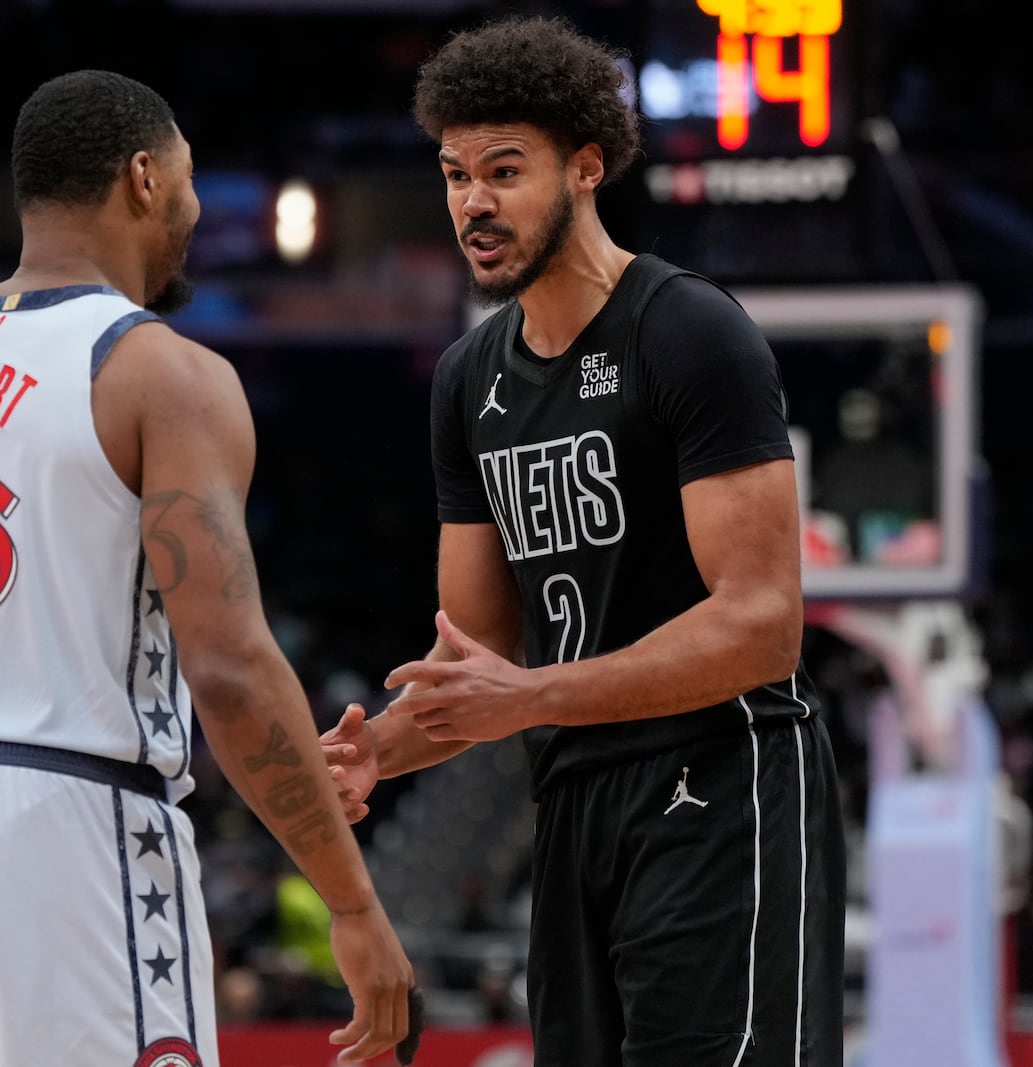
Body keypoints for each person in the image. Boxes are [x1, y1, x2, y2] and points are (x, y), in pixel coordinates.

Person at [0, 69, 414, 1067]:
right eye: (188, 182)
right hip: (65, 819)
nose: (195, 210)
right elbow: (226, 665)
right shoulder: (161, 371)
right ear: (142, 178)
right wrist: (350, 900)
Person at [322, 15, 845, 1066]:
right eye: (455, 173)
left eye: (504, 170)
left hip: (719, 777)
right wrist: (373, 749)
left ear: (586, 167)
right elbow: (475, 666)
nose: (473, 200)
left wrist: (536, 696)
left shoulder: (689, 330)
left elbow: (761, 626)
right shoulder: (470, 381)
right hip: (574, 795)